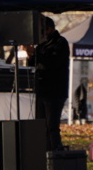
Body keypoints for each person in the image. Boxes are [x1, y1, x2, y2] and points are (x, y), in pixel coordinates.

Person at [23, 16, 70, 152]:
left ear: (48, 29)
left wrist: (35, 54)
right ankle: (44, 153)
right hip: (42, 89)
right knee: (41, 125)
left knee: (51, 126)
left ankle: (55, 152)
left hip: (55, 90)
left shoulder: (60, 42)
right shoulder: (42, 45)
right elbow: (34, 64)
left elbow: (53, 62)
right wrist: (30, 55)